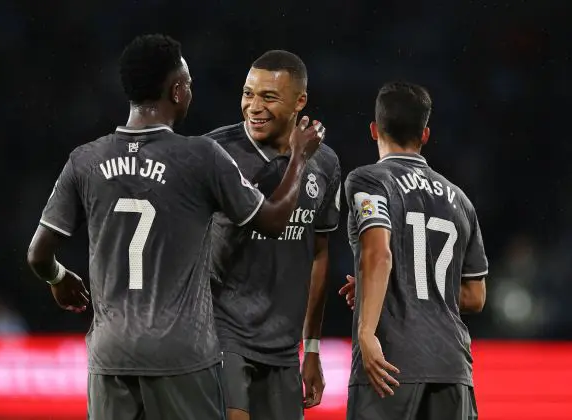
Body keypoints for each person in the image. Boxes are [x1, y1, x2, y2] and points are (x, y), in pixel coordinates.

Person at [26, 34, 326, 420]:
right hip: (182, 354)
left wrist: (58, 277)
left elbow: (37, 254)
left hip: (110, 353)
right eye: (189, 84)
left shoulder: (85, 160)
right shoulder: (200, 157)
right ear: (178, 91)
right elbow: (272, 220)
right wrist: (299, 158)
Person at [206, 50, 341, 420]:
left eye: (268, 97)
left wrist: (310, 346)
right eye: (248, 93)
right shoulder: (215, 151)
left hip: (283, 346)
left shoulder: (325, 163)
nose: (253, 106)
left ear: (300, 102)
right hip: (222, 332)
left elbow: (319, 253)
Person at [343, 81, 487, 420]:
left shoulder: (369, 181)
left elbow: (377, 254)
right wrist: (386, 286)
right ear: (425, 135)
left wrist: (366, 330)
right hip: (452, 368)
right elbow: (475, 295)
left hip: (390, 365)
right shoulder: (460, 200)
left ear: (374, 130)